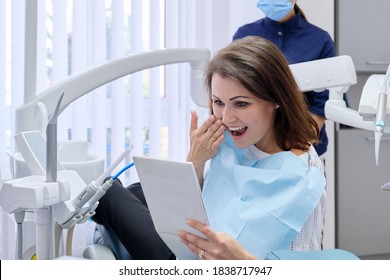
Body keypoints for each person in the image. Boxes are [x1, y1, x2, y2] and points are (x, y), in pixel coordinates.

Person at [92, 36, 326, 260]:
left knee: (105, 190)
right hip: (193, 238)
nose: (226, 117)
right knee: (137, 190)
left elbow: (302, 260)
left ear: (277, 99)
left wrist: (243, 260)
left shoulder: (303, 175)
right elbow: (209, 197)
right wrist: (196, 160)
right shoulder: (229, 139)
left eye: (241, 104)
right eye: (218, 102)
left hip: (190, 260)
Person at [232, 0, 335, 157]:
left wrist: (298, 148)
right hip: (253, 147)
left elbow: (321, 105)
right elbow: (233, 90)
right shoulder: (245, 35)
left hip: (300, 144)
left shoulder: (319, 39)